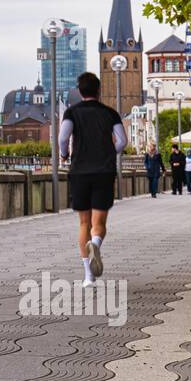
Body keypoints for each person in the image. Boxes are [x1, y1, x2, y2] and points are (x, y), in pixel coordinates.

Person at [59, 71, 127, 285]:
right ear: (99, 90)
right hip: (104, 172)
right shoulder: (111, 113)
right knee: (99, 223)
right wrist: (109, 151)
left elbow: (63, 138)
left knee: (83, 223)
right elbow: (122, 141)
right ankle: (96, 242)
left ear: (80, 92)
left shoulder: (72, 112)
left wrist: (65, 155)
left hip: (80, 172)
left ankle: (88, 276)